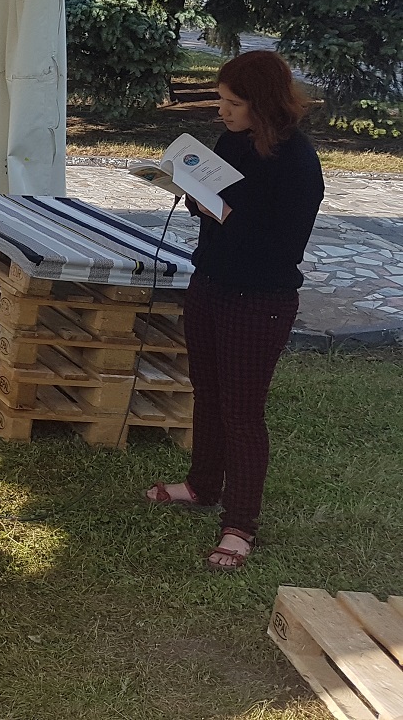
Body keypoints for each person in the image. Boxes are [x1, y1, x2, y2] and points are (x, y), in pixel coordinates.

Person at [143, 50, 324, 571]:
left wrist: (222, 213)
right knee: (206, 390)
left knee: (242, 412)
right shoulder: (230, 142)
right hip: (210, 281)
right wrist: (194, 198)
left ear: (263, 104)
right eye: (220, 100)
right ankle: (202, 485)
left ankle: (240, 525)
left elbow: (284, 245)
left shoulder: (297, 161)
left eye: (233, 103)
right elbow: (214, 207)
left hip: (260, 298)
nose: (221, 111)